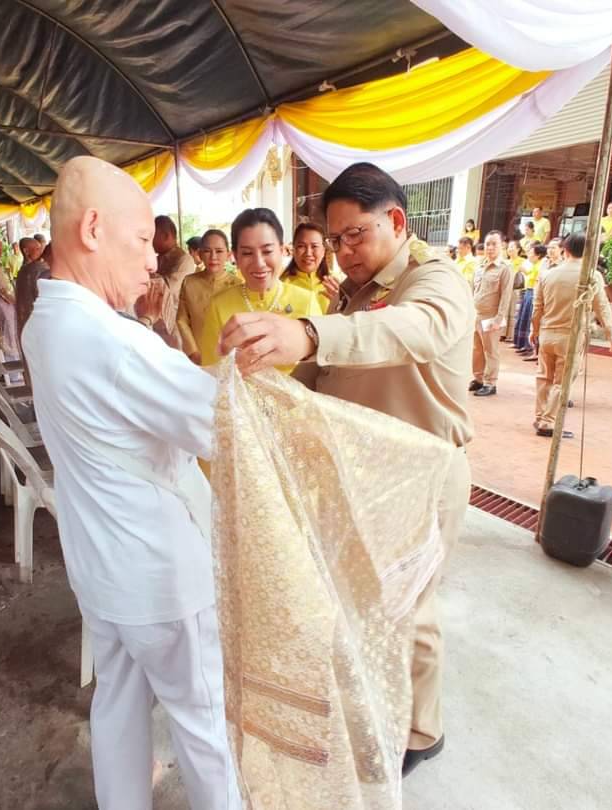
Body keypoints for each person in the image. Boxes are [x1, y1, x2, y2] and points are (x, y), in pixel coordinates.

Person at [217, 161, 474, 778]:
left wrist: (307, 331)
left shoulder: (433, 280)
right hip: (368, 473)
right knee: (366, 600)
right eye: (334, 240)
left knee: (411, 607)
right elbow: (326, 371)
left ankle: (421, 731)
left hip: (421, 472)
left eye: (354, 235)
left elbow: (410, 330)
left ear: (396, 220)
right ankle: (378, 707)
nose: (342, 251)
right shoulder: (355, 289)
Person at [20, 156, 239, 810]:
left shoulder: (44, 321)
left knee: (118, 699)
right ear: (92, 228)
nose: (152, 261)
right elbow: (224, 429)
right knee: (204, 722)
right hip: (161, 574)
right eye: (143, 239)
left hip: (101, 565)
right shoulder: (110, 341)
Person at [198, 209, 322, 372]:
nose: (259, 263)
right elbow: (211, 370)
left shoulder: (306, 301)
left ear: (283, 250)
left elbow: (323, 371)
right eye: (247, 253)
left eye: (267, 251)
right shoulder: (219, 306)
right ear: (235, 256)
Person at [529, 232, 612, 438]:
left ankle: (540, 416)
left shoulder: (547, 274)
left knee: (544, 377)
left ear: (565, 250)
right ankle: (548, 422)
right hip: (571, 336)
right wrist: (611, 334)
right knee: (562, 382)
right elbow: (602, 307)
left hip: (547, 333)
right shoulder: (591, 275)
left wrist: (534, 331)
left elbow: (537, 309)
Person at [175, 229, 240, 365]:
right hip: (197, 357)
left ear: (228, 255)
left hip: (230, 359)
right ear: (199, 254)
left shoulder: (238, 285)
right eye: (207, 251)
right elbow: (181, 320)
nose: (213, 257)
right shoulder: (189, 282)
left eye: (219, 251)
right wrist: (193, 352)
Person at [470, 231, 514, 397]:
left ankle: (490, 383)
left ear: (502, 245)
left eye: (494, 244)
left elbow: (506, 295)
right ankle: (478, 378)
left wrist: (499, 318)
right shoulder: (480, 266)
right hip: (476, 315)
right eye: (488, 244)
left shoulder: (504, 269)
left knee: (491, 351)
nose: (490, 247)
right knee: (477, 349)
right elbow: (473, 290)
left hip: (491, 317)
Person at [149, 215, 197, 349]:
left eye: (153, 236)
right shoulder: (157, 259)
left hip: (175, 322)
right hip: (156, 320)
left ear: (165, 235)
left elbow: (169, 288)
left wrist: (148, 275)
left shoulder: (184, 260)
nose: (150, 241)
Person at [282, 221, 340, 315]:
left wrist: (342, 306)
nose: (308, 253)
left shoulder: (337, 284)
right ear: (294, 249)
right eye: (301, 246)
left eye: (314, 246)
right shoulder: (281, 285)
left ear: (324, 250)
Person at [15, 242, 51, 345]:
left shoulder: (24, 269)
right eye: (37, 249)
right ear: (26, 251)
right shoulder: (39, 269)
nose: (40, 252)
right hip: (38, 319)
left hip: (27, 318)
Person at [514, 242, 545, 353]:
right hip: (528, 291)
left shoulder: (541, 265)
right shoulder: (535, 265)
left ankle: (530, 347)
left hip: (534, 293)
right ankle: (523, 344)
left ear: (538, 255)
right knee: (524, 318)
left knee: (530, 320)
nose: (529, 255)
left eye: (531, 253)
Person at [501, 239, 526, 341]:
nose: (510, 249)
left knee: (513, 311)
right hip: (505, 289)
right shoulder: (504, 261)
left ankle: (511, 334)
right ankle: (502, 333)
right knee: (504, 310)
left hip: (516, 290)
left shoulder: (523, 262)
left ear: (518, 249)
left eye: (512, 247)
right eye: (509, 247)